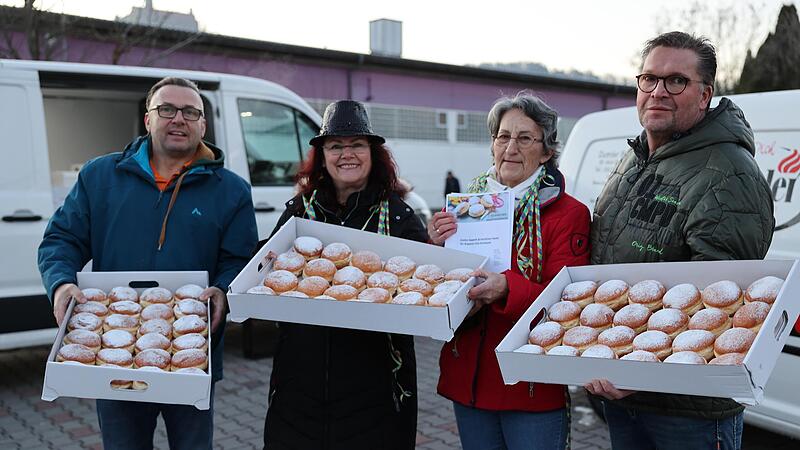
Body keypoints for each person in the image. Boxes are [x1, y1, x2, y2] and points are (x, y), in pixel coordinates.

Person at [38, 77, 258, 449]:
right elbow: (62, 239)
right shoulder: (101, 176)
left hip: (191, 350)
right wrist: (60, 283)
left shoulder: (231, 190)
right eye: (166, 109)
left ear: (203, 124)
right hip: (116, 348)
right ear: (147, 119)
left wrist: (223, 291)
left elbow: (238, 259)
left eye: (191, 112)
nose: (179, 119)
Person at [586, 32, 774, 450]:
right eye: (649, 79)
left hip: (686, 411)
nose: (658, 92)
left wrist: (639, 372)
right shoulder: (633, 159)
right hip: (626, 388)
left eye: (676, 81)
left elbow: (722, 305)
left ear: (705, 95)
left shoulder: (729, 174)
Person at [262, 100, 428, 450]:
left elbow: (420, 286)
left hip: (375, 382)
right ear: (322, 156)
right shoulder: (299, 212)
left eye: (356, 145)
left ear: (373, 153)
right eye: (336, 146)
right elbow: (267, 267)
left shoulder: (398, 216)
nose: (346, 154)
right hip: (299, 380)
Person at [429, 92, 591, 450]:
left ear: (547, 152)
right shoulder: (469, 206)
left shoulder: (569, 214)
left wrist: (506, 289)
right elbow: (448, 281)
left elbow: (566, 302)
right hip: (469, 378)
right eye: (503, 136)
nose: (511, 148)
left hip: (529, 386)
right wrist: (439, 248)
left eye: (525, 138)